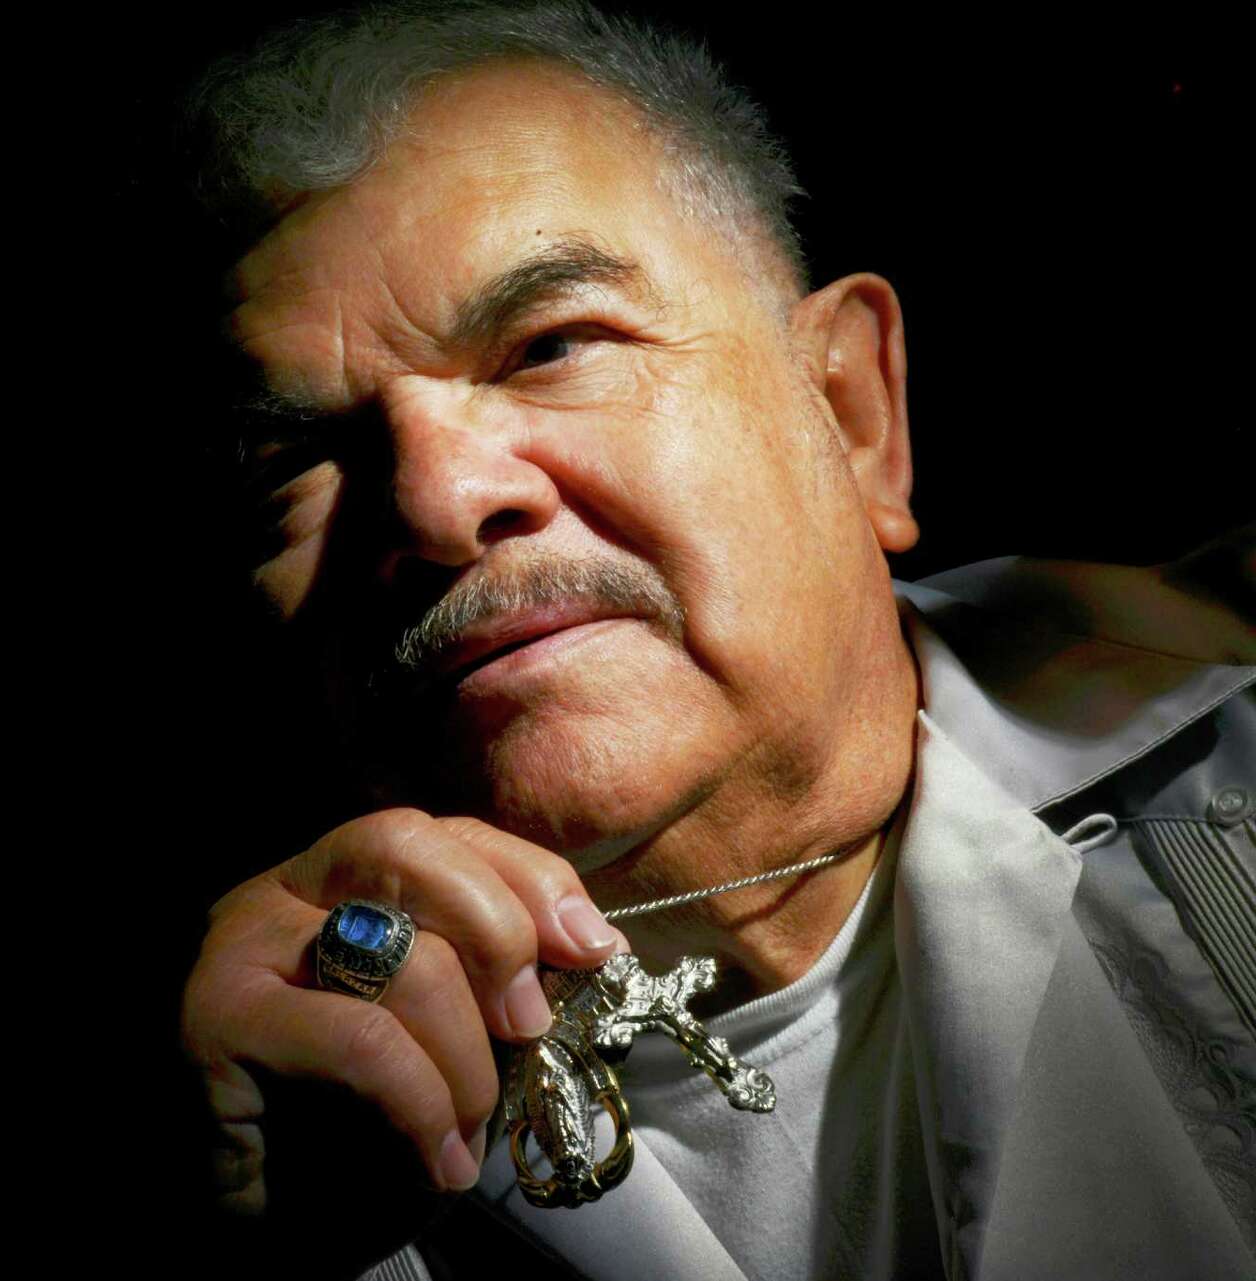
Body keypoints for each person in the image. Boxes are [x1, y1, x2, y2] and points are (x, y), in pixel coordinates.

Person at [170, 3, 1255, 1279]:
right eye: (297, 458)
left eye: (550, 347)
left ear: (849, 412)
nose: (436, 502)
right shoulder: (222, 1154)